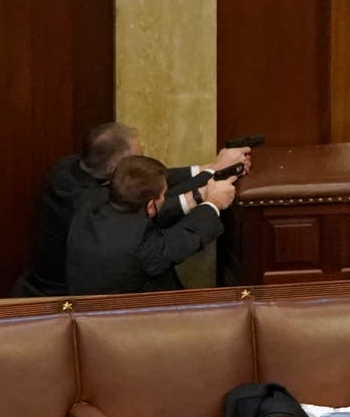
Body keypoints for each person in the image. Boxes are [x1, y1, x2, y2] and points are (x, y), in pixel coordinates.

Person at [13, 122, 252, 296]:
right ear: (116, 171)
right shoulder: (92, 208)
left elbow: (144, 184)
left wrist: (210, 170)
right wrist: (212, 202)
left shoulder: (70, 173)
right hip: (80, 303)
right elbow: (184, 237)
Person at [66, 154, 237, 295]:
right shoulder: (141, 243)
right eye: (163, 195)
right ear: (150, 205)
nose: (166, 198)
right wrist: (214, 203)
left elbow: (151, 209)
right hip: (134, 324)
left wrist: (199, 194)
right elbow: (185, 238)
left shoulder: (90, 203)